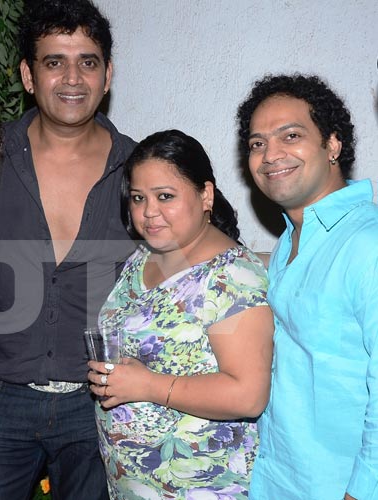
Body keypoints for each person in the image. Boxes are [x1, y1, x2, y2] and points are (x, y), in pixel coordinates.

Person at [0, 1, 137, 498]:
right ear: (27, 74)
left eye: (88, 61)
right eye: (54, 61)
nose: (72, 78)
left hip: (100, 403)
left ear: (107, 76)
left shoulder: (140, 168)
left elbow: (196, 246)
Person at [85, 129, 273, 498]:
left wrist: (146, 385)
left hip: (202, 486)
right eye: (138, 198)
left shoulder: (230, 276)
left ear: (206, 195)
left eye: (165, 197)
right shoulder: (142, 259)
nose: (148, 212)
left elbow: (248, 394)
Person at [237, 74, 378, 500]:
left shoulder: (365, 244)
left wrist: (363, 490)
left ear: (332, 145)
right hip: (277, 478)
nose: (270, 154)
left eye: (291, 135)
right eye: (257, 143)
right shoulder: (288, 243)